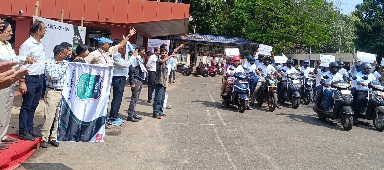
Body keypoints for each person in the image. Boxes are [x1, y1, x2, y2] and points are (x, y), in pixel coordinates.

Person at [0, 21, 32, 150]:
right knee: (0, 109)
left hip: (10, 81)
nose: (11, 33)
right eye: (8, 31)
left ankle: (3, 135)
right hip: (1, 81)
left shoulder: (7, 45)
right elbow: (4, 59)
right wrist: (22, 58)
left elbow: (13, 60)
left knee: (7, 109)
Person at [18, 20, 47, 141]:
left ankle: (29, 129)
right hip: (30, 78)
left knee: (34, 105)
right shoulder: (27, 44)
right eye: (44, 30)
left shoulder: (39, 44)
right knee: (27, 105)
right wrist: (22, 81)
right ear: (38, 31)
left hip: (39, 78)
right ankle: (23, 131)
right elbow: (22, 64)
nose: (45, 32)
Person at [40, 45, 68, 148]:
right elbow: (53, 77)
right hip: (52, 91)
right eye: (65, 53)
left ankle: (53, 137)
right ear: (60, 54)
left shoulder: (66, 63)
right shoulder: (49, 62)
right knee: (49, 116)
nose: (67, 55)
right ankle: (44, 137)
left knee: (58, 116)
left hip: (63, 92)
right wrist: (64, 68)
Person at [108, 39, 132, 125]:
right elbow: (125, 64)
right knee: (117, 98)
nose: (123, 48)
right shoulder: (115, 55)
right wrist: (133, 57)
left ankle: (115, 115)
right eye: (122, 46)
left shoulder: (117, 54)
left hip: (120, 78)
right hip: (118, 78)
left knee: (118, 98)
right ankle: (113, 117)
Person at [127, 45, 147, 122]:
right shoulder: (134, 59)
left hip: (140, 79)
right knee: (134, 97)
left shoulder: (139, 58)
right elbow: (131, 70)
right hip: (135, 79)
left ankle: (133, 112)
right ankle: (130, 115)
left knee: (136, 98)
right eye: (143, 51)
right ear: (139, 51)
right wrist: (132, 82)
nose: (144, 52)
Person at [153, 49, 174, 119]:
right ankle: (156, 113)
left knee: (162, 99)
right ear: (160, 54)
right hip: (159, 82)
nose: (164, 54)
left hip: (164, 82)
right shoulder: (158, 60)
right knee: (158, 98)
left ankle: (160, 111)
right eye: (162, 53)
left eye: (165, 53)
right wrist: (170, 56)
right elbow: (162, 61)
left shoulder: (166, 62)